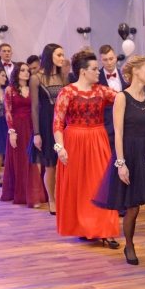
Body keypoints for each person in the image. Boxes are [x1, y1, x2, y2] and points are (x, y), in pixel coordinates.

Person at [93, 55, 145, 271]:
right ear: (135, 71)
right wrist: (121, 163)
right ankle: (130, 245)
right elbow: (118, 133)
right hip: (129, 156)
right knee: (132, 208)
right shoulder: (122, 98)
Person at [53, 48, 120, 247]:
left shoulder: (101, 90)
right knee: (80, 187)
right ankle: (84, 227)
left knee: (102, 184)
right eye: (94, 69)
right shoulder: (67, 92)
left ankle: (106, 230)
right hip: (74, 141)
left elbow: (123, 99)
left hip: (98, 140)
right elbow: (57, 123)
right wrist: (60, 148)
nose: (98, 72)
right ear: (83, 71)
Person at [1, 62, 48, 208]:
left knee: (36, 160)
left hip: (33, 125)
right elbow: (8, 111)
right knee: (22, 161)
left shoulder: (33, 88)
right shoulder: (10, 89)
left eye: (28, 70)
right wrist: (11, 131)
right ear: (16, 72)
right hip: (18, 127)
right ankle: (26, 195)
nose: (26, 73)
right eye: (22, 70)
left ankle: (37, 193)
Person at [30, 44, 67, 214]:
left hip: (64, 124)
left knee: (65, 164)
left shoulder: (64, 77)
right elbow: (34, 108)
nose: (62, 58)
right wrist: (37, 133)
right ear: (49, 55)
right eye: (59, 55)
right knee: (50, 165)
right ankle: (52, 199)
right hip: (46, 124)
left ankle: (64, 197)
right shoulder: (36, 78)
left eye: (63, 55)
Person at [99, 44, 126, 152]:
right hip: (106, 126)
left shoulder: (125, 75)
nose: (109, 62)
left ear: (115, 57)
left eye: (111, 59)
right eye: (105, 60)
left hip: (126, 125)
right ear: (100, 60)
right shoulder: (96, 78)